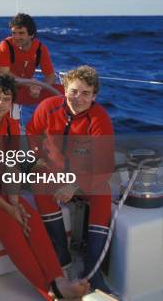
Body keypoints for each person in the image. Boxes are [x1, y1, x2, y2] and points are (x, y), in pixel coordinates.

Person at [0, 73, 90, 299]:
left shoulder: (8, 124)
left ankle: (58, 281)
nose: (1, 104)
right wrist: (9, 208)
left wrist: (15, 201)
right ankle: (49, 291)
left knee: (30, 217)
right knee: (10, 225)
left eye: (6, 99)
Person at [27, 65, 114, 293]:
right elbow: (31, 133)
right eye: (74, 91)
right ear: (64, 88)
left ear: (94, 96)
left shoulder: (99, 118)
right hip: (52, 173)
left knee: (103, 192)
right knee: (39, 184)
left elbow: (104, 164)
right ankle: (62, 258)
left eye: (86, 94)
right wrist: (36, 159)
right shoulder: (47, 107)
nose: (79, 98)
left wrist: (75, 184)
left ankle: (92, 271)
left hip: (84, 179)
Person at [0, 13, 58, 104]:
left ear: (31, 34)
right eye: (14, 33)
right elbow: (4, 74)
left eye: (21, 33)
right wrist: (30, 84)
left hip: (26, 88)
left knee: (62, 93)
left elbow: (51, 76)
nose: (16, 37)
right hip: (6, 87)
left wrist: (39, 88)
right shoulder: (5, 45)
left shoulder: (40, 49)